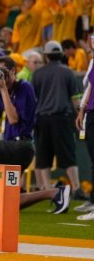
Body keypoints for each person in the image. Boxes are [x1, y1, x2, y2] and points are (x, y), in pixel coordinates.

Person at [0, 56, 70, 214]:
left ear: (13, 71)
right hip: (15, 150)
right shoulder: (3, 94)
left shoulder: (24, 87)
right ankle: (54, 193)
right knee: (9, 202)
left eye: (2, 71)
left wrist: (3, 89)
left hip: (19, 146)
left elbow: (13, 119)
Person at [32, 41, 85, 200]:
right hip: (62, 119)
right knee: (68, 156)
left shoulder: (37, 74)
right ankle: (77, 189)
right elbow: (76, 100)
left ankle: (48, 190)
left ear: (46, 56)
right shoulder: (68, 72)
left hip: (41, 120)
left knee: (43, 157)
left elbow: (34, 100)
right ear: (61, 54)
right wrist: (80, 114)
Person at [75, 33, 94, 217]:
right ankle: (92, 200)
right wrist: (81, 110)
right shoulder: (92, 62)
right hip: (91, 112)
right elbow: (89, 87)